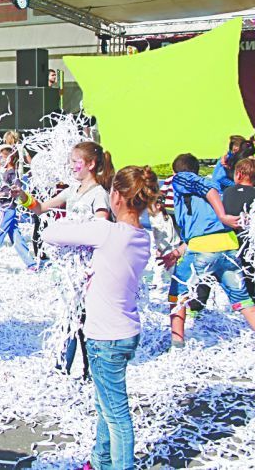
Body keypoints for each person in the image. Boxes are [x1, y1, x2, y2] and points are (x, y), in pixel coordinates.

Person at [43, 166, 157, 470]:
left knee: (117, 414)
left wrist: (81, 219)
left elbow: (52, 233)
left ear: (116, 196)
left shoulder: (106, 232)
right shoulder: (142, 237)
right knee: (105, 404)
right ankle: (99, 460)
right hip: (127, 331)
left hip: (104, 336)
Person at [12, 141, 115, 377]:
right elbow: (40, 208)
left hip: (87, 267)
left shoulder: (98, 194)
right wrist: (22, 195)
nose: (71, 166)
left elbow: (101, 227)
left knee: (83, 320)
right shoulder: (72, 191)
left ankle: (91, 368)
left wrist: (72, 232)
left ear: (90, 164)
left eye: (75, 162)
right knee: (70, 317)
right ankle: (63, 368)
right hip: (70, 269)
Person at [162, 153, 255, 354]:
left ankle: (177, 344)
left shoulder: (182, 179)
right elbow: (202, 227)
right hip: (227, 246)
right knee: (243, 300)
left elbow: (208, 190)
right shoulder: (200, 194)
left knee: (177, 295)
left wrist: (223, 216)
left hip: (203, 250)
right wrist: (178, 251)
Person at [0, 144, 35, 270]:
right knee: (15, 236)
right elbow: (0, 188)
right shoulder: (4, 173)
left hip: (5, 208)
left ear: (8, 159)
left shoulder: (11, 174)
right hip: (6, 207)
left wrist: (3, 193)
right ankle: (30, 263)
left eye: (0, 157)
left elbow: (17, 188)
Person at [222, 157, 255, 310]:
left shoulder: (227, 192)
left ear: (238, 174)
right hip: (250, 242)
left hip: (229, 239)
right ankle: (254, 304)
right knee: (251, 273)